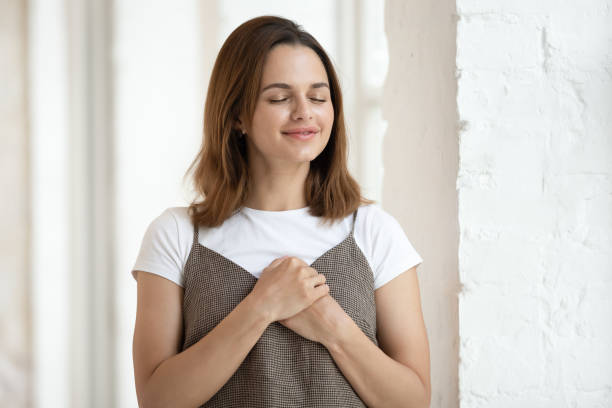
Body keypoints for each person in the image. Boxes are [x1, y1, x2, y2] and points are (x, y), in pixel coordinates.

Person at [131, 15, 431, 408]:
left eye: (318, 97)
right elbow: (157, 400)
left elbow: (414, 401)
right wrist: (261, 307)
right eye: (279, 98)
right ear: (237, 114)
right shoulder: (176, 235)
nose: (304, 112)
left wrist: (332, 326)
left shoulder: (375, 232)